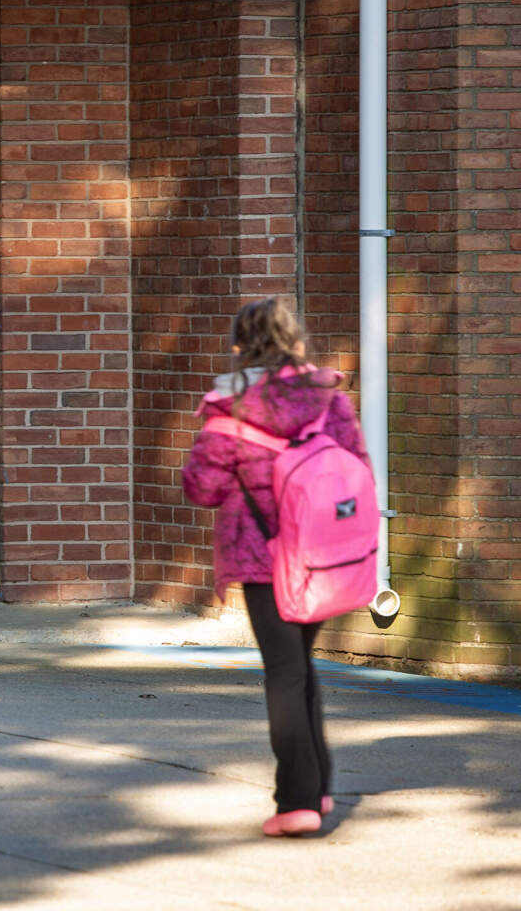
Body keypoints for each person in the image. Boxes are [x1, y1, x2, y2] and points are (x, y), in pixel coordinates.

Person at [181, 297, 361, 838]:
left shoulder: (230, 408)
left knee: (284, 673)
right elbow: (356, 468)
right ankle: (318, 788)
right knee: (301, 668)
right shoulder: (330, 400)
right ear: (295, 341)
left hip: (262, 557)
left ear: (240, 347)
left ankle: (298, 801)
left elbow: (204, 488)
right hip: (324, 555)